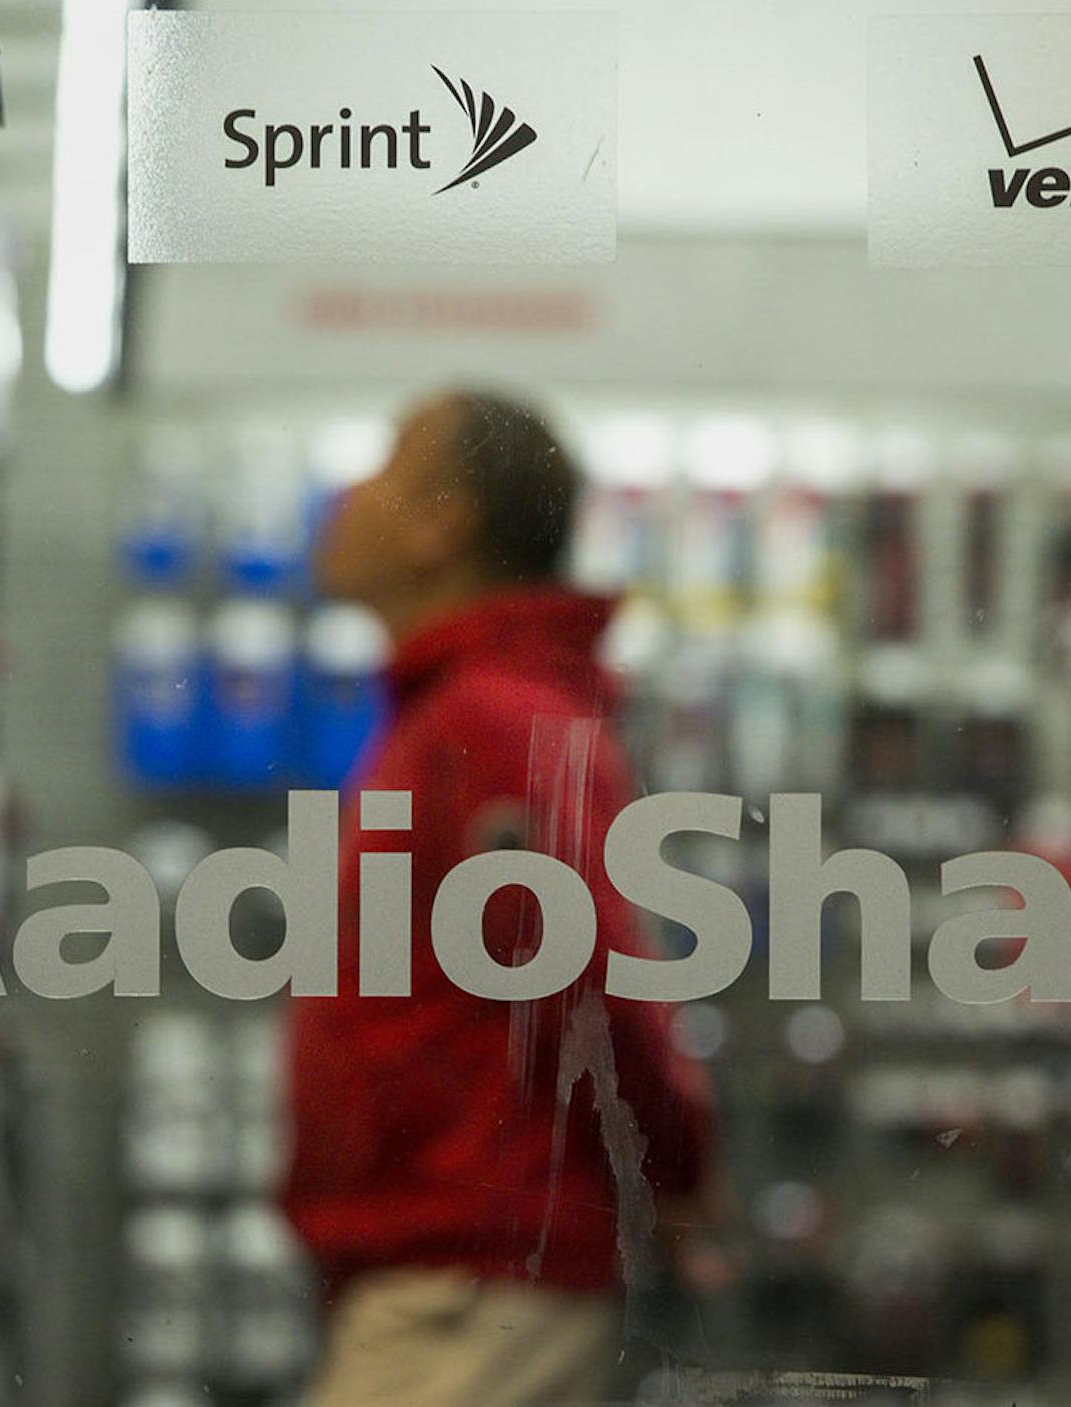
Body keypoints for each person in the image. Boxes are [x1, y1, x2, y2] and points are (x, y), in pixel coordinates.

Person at [282, 389, 731, 1406]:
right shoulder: (460, 715)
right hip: (450, 1273)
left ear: (446, 522)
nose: (350, 497)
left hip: (476, 1288)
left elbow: (594, 973)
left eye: (389, 467)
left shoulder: (490, 720)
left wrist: (675, 1170)